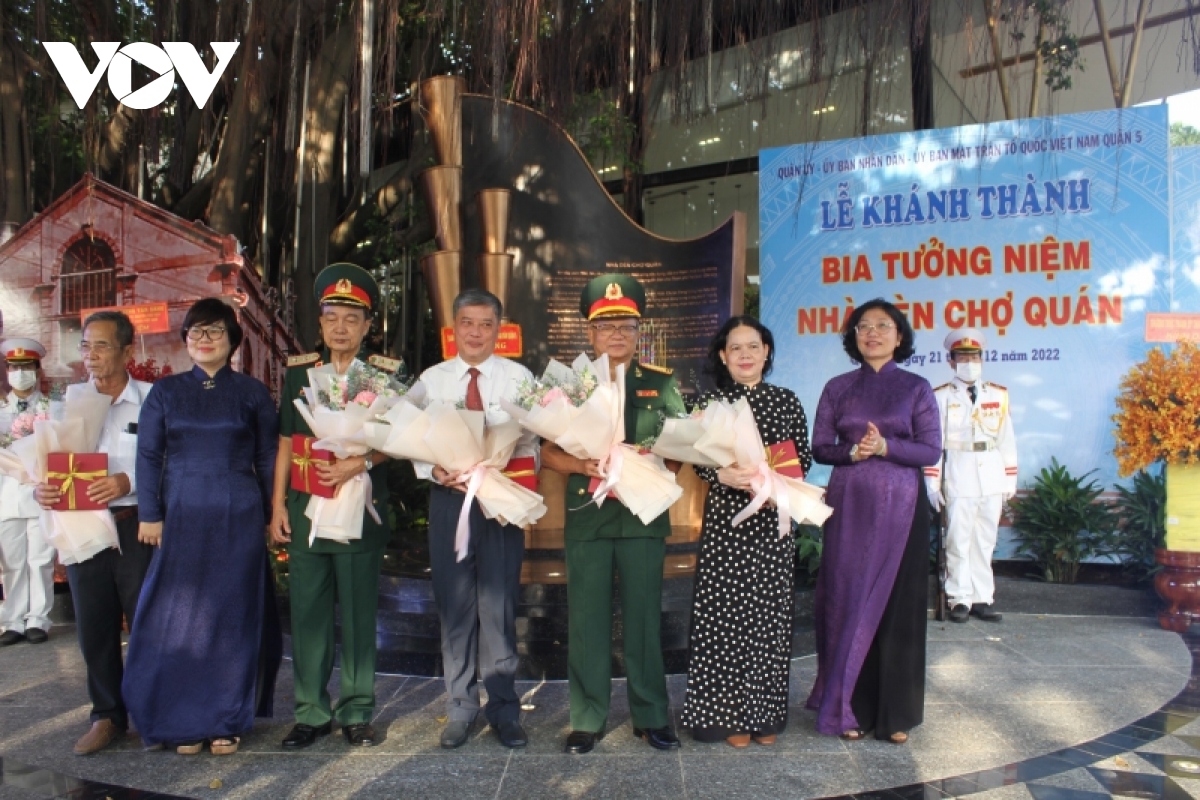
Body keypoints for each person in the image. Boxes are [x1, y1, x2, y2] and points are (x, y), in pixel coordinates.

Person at [121, 298, 282, 754]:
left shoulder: (251, 393)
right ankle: (180, 720)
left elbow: (269, 457)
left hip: (239, 514)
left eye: (214, 331)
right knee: (180, 620)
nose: (204, 339)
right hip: (181, 514)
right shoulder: (166, 392)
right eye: (195, 332)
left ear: (232, 340)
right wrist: (150, 514)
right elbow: (149, 455)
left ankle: (225, 719)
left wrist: (275, 515)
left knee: (231, 616)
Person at [541, 273, 686, 755]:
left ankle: (651, 716)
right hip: (589, 513)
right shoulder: (573, 385)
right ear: (590, 333)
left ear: (638, 330)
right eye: (606, 326)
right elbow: (548, 452)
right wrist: (584, 464)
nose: (616, 333)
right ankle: (587, 718)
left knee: (644, 618)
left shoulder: (661, 383)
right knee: (587, 619)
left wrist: (644, 470)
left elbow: (683, 446)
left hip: (642, 517)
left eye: (625, 324)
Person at [269, 262, 399, 749]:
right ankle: (310, 711)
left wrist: (359, 462)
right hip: (306, 507)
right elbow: (285, 441)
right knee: (307, 613)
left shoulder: (384, 376)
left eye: (352, 318)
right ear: (320, 323)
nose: (340, 327)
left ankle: (357, 710)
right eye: (331, 317)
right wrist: (277, 506)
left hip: (361, 510)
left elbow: (405, 441)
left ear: (368, 327)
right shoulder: (299, 373)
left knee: (360, 614)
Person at [807, 298, 941, 744]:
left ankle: (894, 714)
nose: (873, 333)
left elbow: (930, 451)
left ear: (899, 336)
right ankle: (850, 708)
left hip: (902, 510)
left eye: (883, 326)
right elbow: (820, 447)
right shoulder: (837, 387)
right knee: (846, 598)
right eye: (864, 327)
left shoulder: (917, 388)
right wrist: (852, 452)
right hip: (849, 507)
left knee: (896, 607)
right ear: (854, 337)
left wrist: (886, 449)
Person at [414, 288, 538, 750]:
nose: (476, 333)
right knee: (455, 604)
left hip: (501, 499)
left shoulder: (518, 377)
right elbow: (411, 437)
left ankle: (504, 709)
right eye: (468, 323)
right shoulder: (433, 379)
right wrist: (433, 469)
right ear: (454, 327)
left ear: (498, 330)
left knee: (499, 604)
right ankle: (460, 706)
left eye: (486, 324)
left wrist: (510, 467)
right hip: (450, 501)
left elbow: (533, 443)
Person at [681, 316, 812, 748]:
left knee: (768, 617)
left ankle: (764, 714)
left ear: (766, 352)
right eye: (735, 348)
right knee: (725, 618)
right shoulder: (709, 401)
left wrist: (774, 483)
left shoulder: (786, 401)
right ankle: (727, 715)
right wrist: (720, 473)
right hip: (728, 524)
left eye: (752, 347)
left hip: (773, 520)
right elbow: (695, 456)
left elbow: (801, 459)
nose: (744, 355)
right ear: (723, 356)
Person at [34, 311, 155, 755]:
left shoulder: (152, 401)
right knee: (94, 626)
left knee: (146, 623)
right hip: (84, 528)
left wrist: (128, 482)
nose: (91, 355)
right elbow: (46, 461)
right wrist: (41, 489)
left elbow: (167, 460)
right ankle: (107, 715)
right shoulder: (69, 402)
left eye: (101, 346)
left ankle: (152, 712)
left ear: (127, 351)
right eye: (86, 346)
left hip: (134, 527)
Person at [925, 329, 1017, 624]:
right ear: (950, 361)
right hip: (958, 475)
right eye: (962, 357)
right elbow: (934, 443)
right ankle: (959, 598)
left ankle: (982, 597)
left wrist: (1010, 478)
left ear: (982, 359)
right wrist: (932, 481)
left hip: (991, 475)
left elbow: (1007, 439)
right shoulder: (939, 397)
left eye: (973, 356)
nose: (969, 362)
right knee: (958, 539)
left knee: (985, 539)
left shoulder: (998, 394)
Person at [0, 339, 54, 646]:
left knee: (40, 559)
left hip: (40, 492)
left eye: (26, 368)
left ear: (37, 370)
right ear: (7, 371)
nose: (20, 373)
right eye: (15, 368)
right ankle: (12, 620)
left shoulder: (50, 407)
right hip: (6, 494)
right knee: (12, 561)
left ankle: (38, 619)